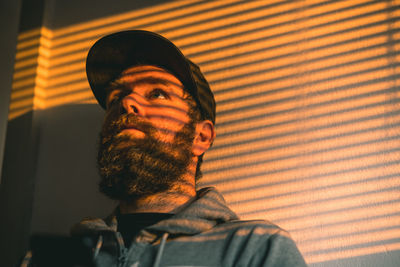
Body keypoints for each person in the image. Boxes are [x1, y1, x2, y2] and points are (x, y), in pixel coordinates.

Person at [24, 30, 307, 267]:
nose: (127, 103)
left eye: (157, 93)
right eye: (116, 97)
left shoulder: (255, 249)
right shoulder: (55, 258)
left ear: (201, 137)